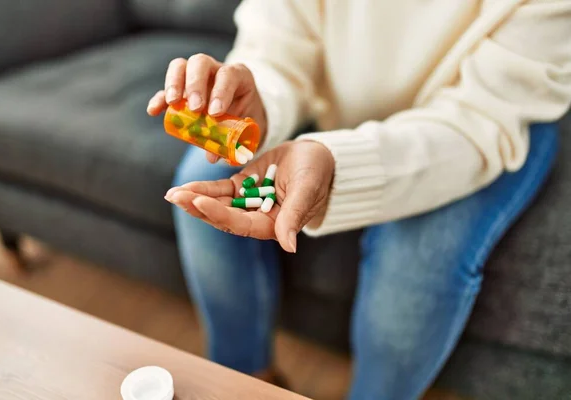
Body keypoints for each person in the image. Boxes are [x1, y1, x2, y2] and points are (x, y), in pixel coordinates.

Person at [147, 1, 571, 399]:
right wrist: (260, 101)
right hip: (341, 96)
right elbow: (280, 40)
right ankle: (244, 379)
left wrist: (339, 164)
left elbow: (484, 115)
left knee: (414, 261)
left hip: (482, 123)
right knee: (201, 178)